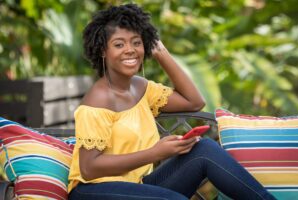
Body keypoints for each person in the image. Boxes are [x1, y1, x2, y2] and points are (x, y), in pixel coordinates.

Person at [68, 3, 276, 200]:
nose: (130, 49)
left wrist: (160, 52)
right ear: (103, 51)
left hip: (137, 185)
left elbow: (194, 101)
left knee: (204, 150)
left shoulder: (140, 87)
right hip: (94, 191)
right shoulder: (98, 99)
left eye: (137, 42)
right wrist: (154, 153)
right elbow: (89, 168)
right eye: (119, 44)